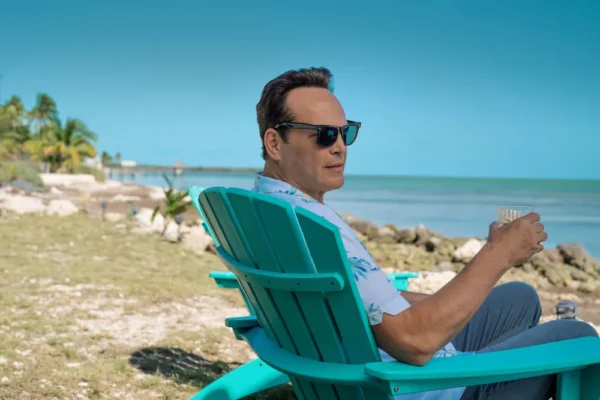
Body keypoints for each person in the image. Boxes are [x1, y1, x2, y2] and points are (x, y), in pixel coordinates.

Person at [250, 66, 598, 400]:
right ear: (275, 143)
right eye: (324, 135)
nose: (340, 146)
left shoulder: (269, 211)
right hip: (408, 385)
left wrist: (457, 286)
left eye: (346, 132)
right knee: (576, 337)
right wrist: (498, 254)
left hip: (364, 366)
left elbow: (357, 304)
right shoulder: (311, 226)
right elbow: (413, 343)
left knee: (520, 298)